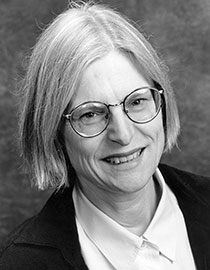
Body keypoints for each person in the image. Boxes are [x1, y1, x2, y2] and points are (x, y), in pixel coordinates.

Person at [1, 1, 210, 269]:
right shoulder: (18, 264)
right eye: (90, 114)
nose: (122, 134)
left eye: (136, 102)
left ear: (163, 103)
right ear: (53, 131)